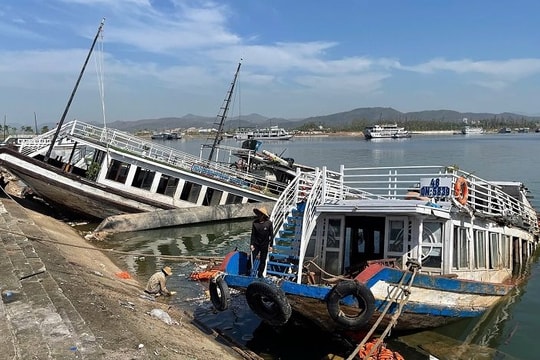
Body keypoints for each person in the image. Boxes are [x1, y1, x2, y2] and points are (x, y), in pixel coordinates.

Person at [250, 207, 273, 277]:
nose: (259, 215)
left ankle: (260, 273)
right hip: (256, 244)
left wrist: (271, 245)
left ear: (263, 215)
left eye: (260, 214)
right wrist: (252, 244)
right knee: (252, 257)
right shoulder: (255, 223)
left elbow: (271, 235)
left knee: (263, 260)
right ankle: (248, 270)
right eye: (258, 214)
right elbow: (253, 235)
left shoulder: (268, 223)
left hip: (265, 244)